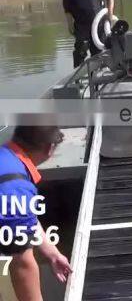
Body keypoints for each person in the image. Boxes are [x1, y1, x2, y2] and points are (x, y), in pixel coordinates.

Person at [0, 126, 72, 301]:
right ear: (50, 149)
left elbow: (24, 218)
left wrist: (52, 253)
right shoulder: (15, 188)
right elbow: (22, 263)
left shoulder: (7, 161)